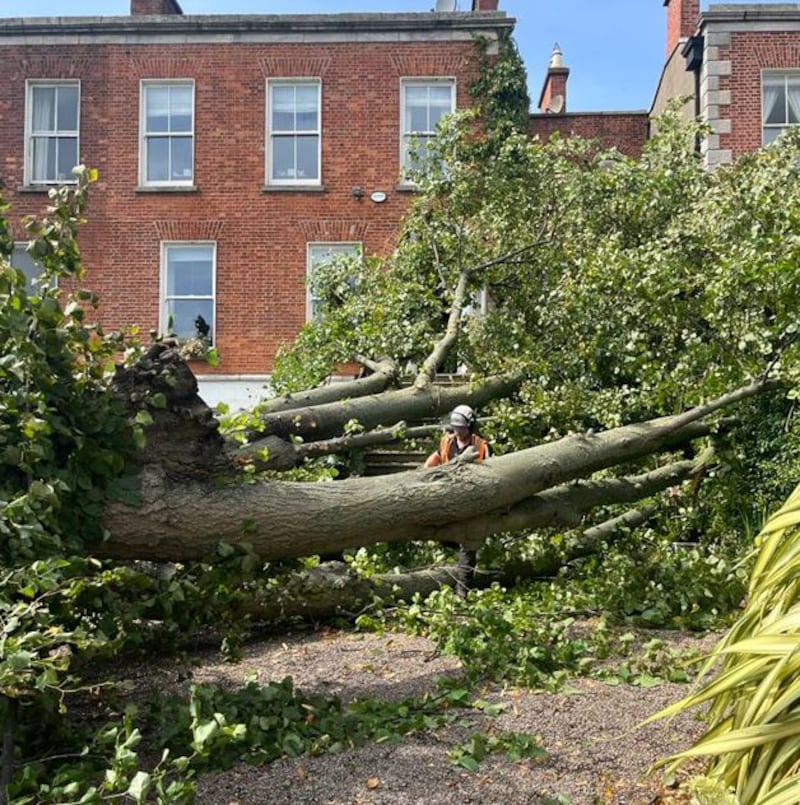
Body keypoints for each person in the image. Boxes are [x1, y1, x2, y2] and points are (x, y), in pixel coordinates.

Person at [425, 404, 491, 596]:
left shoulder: (481, 446)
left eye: (461, 428)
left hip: (472, 501)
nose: (457, 431)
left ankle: (463, 588)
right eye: (455, 427)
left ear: (469, 426)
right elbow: (435, 458)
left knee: (467, 542)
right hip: (448, 498)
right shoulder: (447, 442)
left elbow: (490, 474)